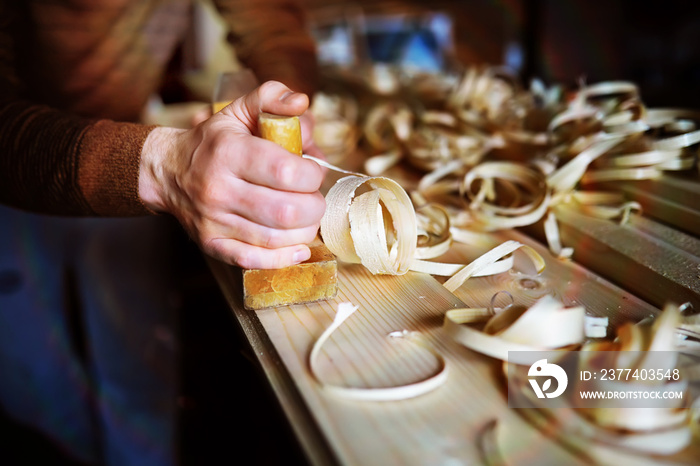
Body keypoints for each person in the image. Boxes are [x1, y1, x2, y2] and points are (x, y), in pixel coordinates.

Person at [0, 1, 325, 464]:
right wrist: (166, 168)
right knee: (28, 379)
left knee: (134, 367)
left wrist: (287, 115)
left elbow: (271, 24)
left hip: (128, 164)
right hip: (31, 181)